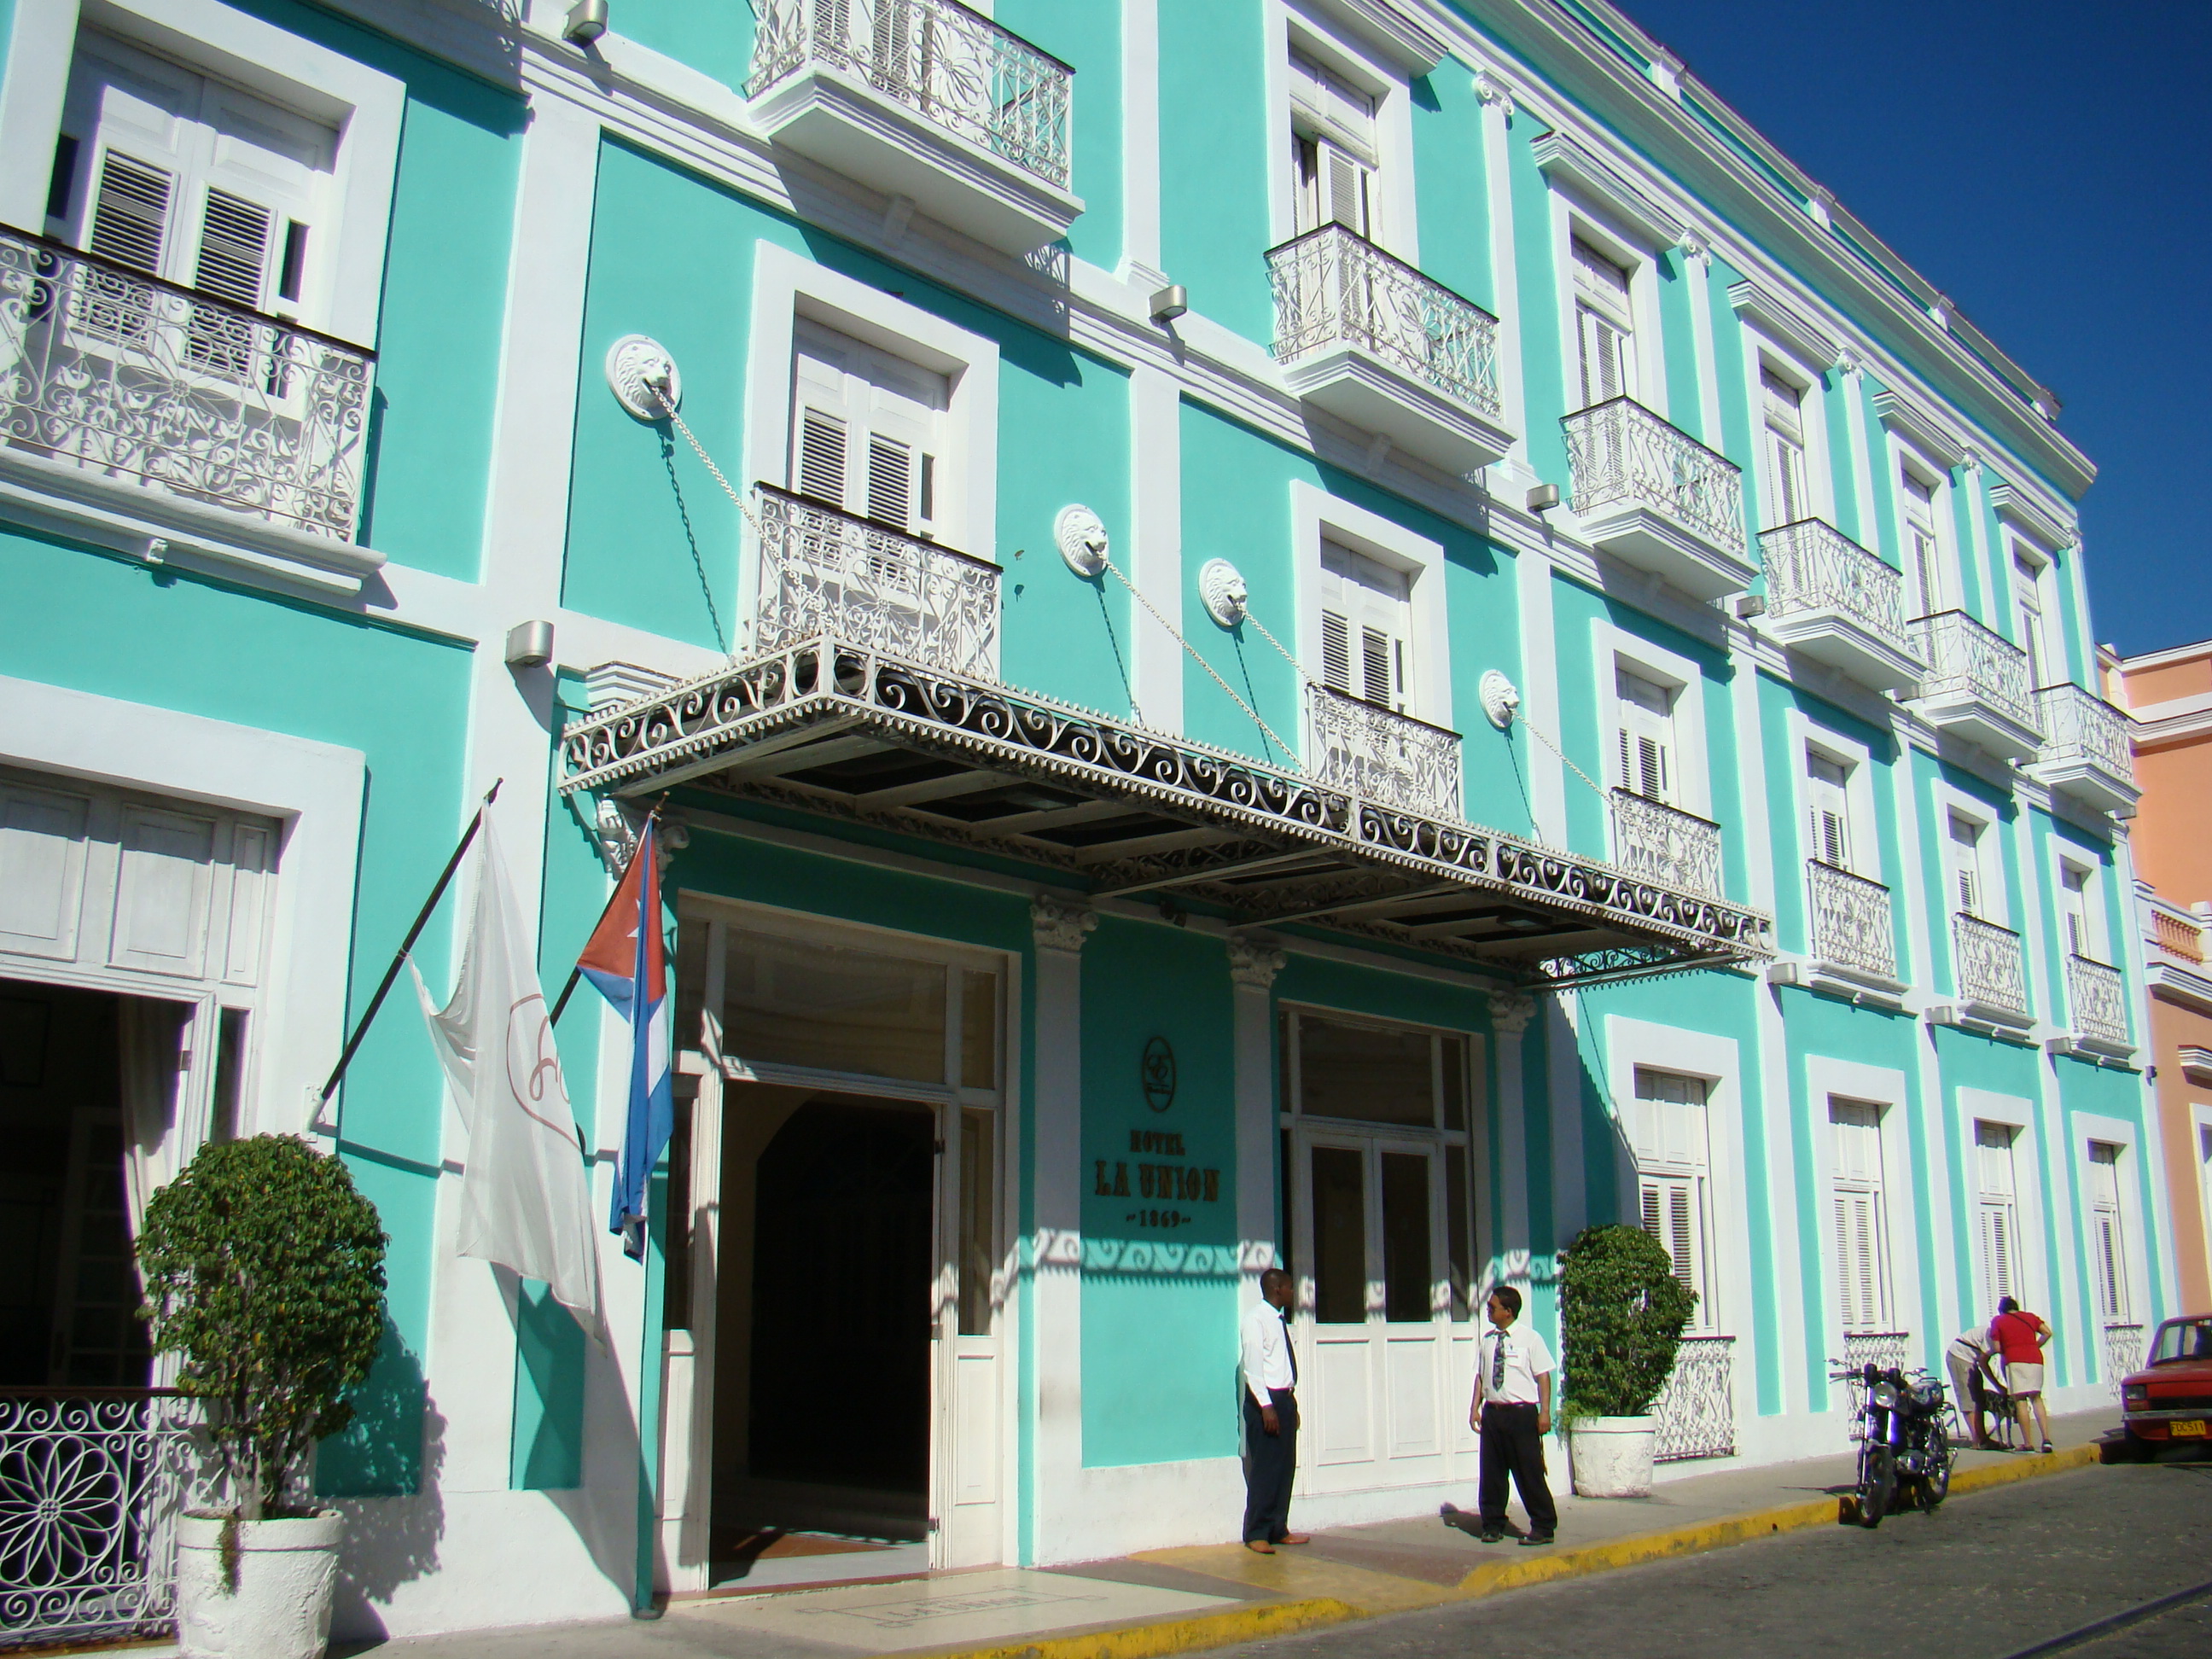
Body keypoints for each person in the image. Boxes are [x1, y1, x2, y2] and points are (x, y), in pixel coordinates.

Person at [1457, 1285, 1557, 1546]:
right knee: (1492, 1473)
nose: (1489, 1311)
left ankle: (1543, 1526)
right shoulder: (1488, 1340)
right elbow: (1481, 1376)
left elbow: (1543, 1377)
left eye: (1493, 1307)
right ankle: (1492, 1525)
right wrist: (1475, 1408)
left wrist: (1545, 1413)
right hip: (1494, 1414)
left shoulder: (1530, 1339)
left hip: (1520, 1415)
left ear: (1508, 1311)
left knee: (1529, 1472)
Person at [1238, 1266, 1308, 1554]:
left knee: (1284, 1468)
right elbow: (1253, 1368)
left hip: (1283, 1399)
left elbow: (1279, 1366)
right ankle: (1257, 1532)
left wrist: (1290, 1404)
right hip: (1264, 1402)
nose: (1293, 1292)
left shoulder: (1279, 1320)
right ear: (1277, 1289)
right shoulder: (1256, 1320)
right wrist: (1267, 1407)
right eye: (1290, 1287)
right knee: (1266, 1469)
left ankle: (1278, 1527)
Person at [1988, 1295, 2055, 1453]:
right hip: (2035, 1359)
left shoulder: (1999, 1321)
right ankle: (2046, 1440)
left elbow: (1997, 1348)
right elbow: (2047, 1332)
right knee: (2036, 1398)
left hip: (2014, 1360)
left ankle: (2028, 1443)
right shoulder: (2030, 1317)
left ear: (2002, 1310)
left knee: (2020, 1401)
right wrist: (2035, 1345)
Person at [1944, 1323, 2004, 1448]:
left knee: (1978, 1398)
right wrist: (1998, 1386)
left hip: (1971, 1359)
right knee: (1969, 1398)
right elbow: (1984, 1364)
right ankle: (1978, 1440)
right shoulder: (1992, 1336)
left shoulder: (2001, 1335)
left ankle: (1982, 1438)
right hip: (1959, 1357)